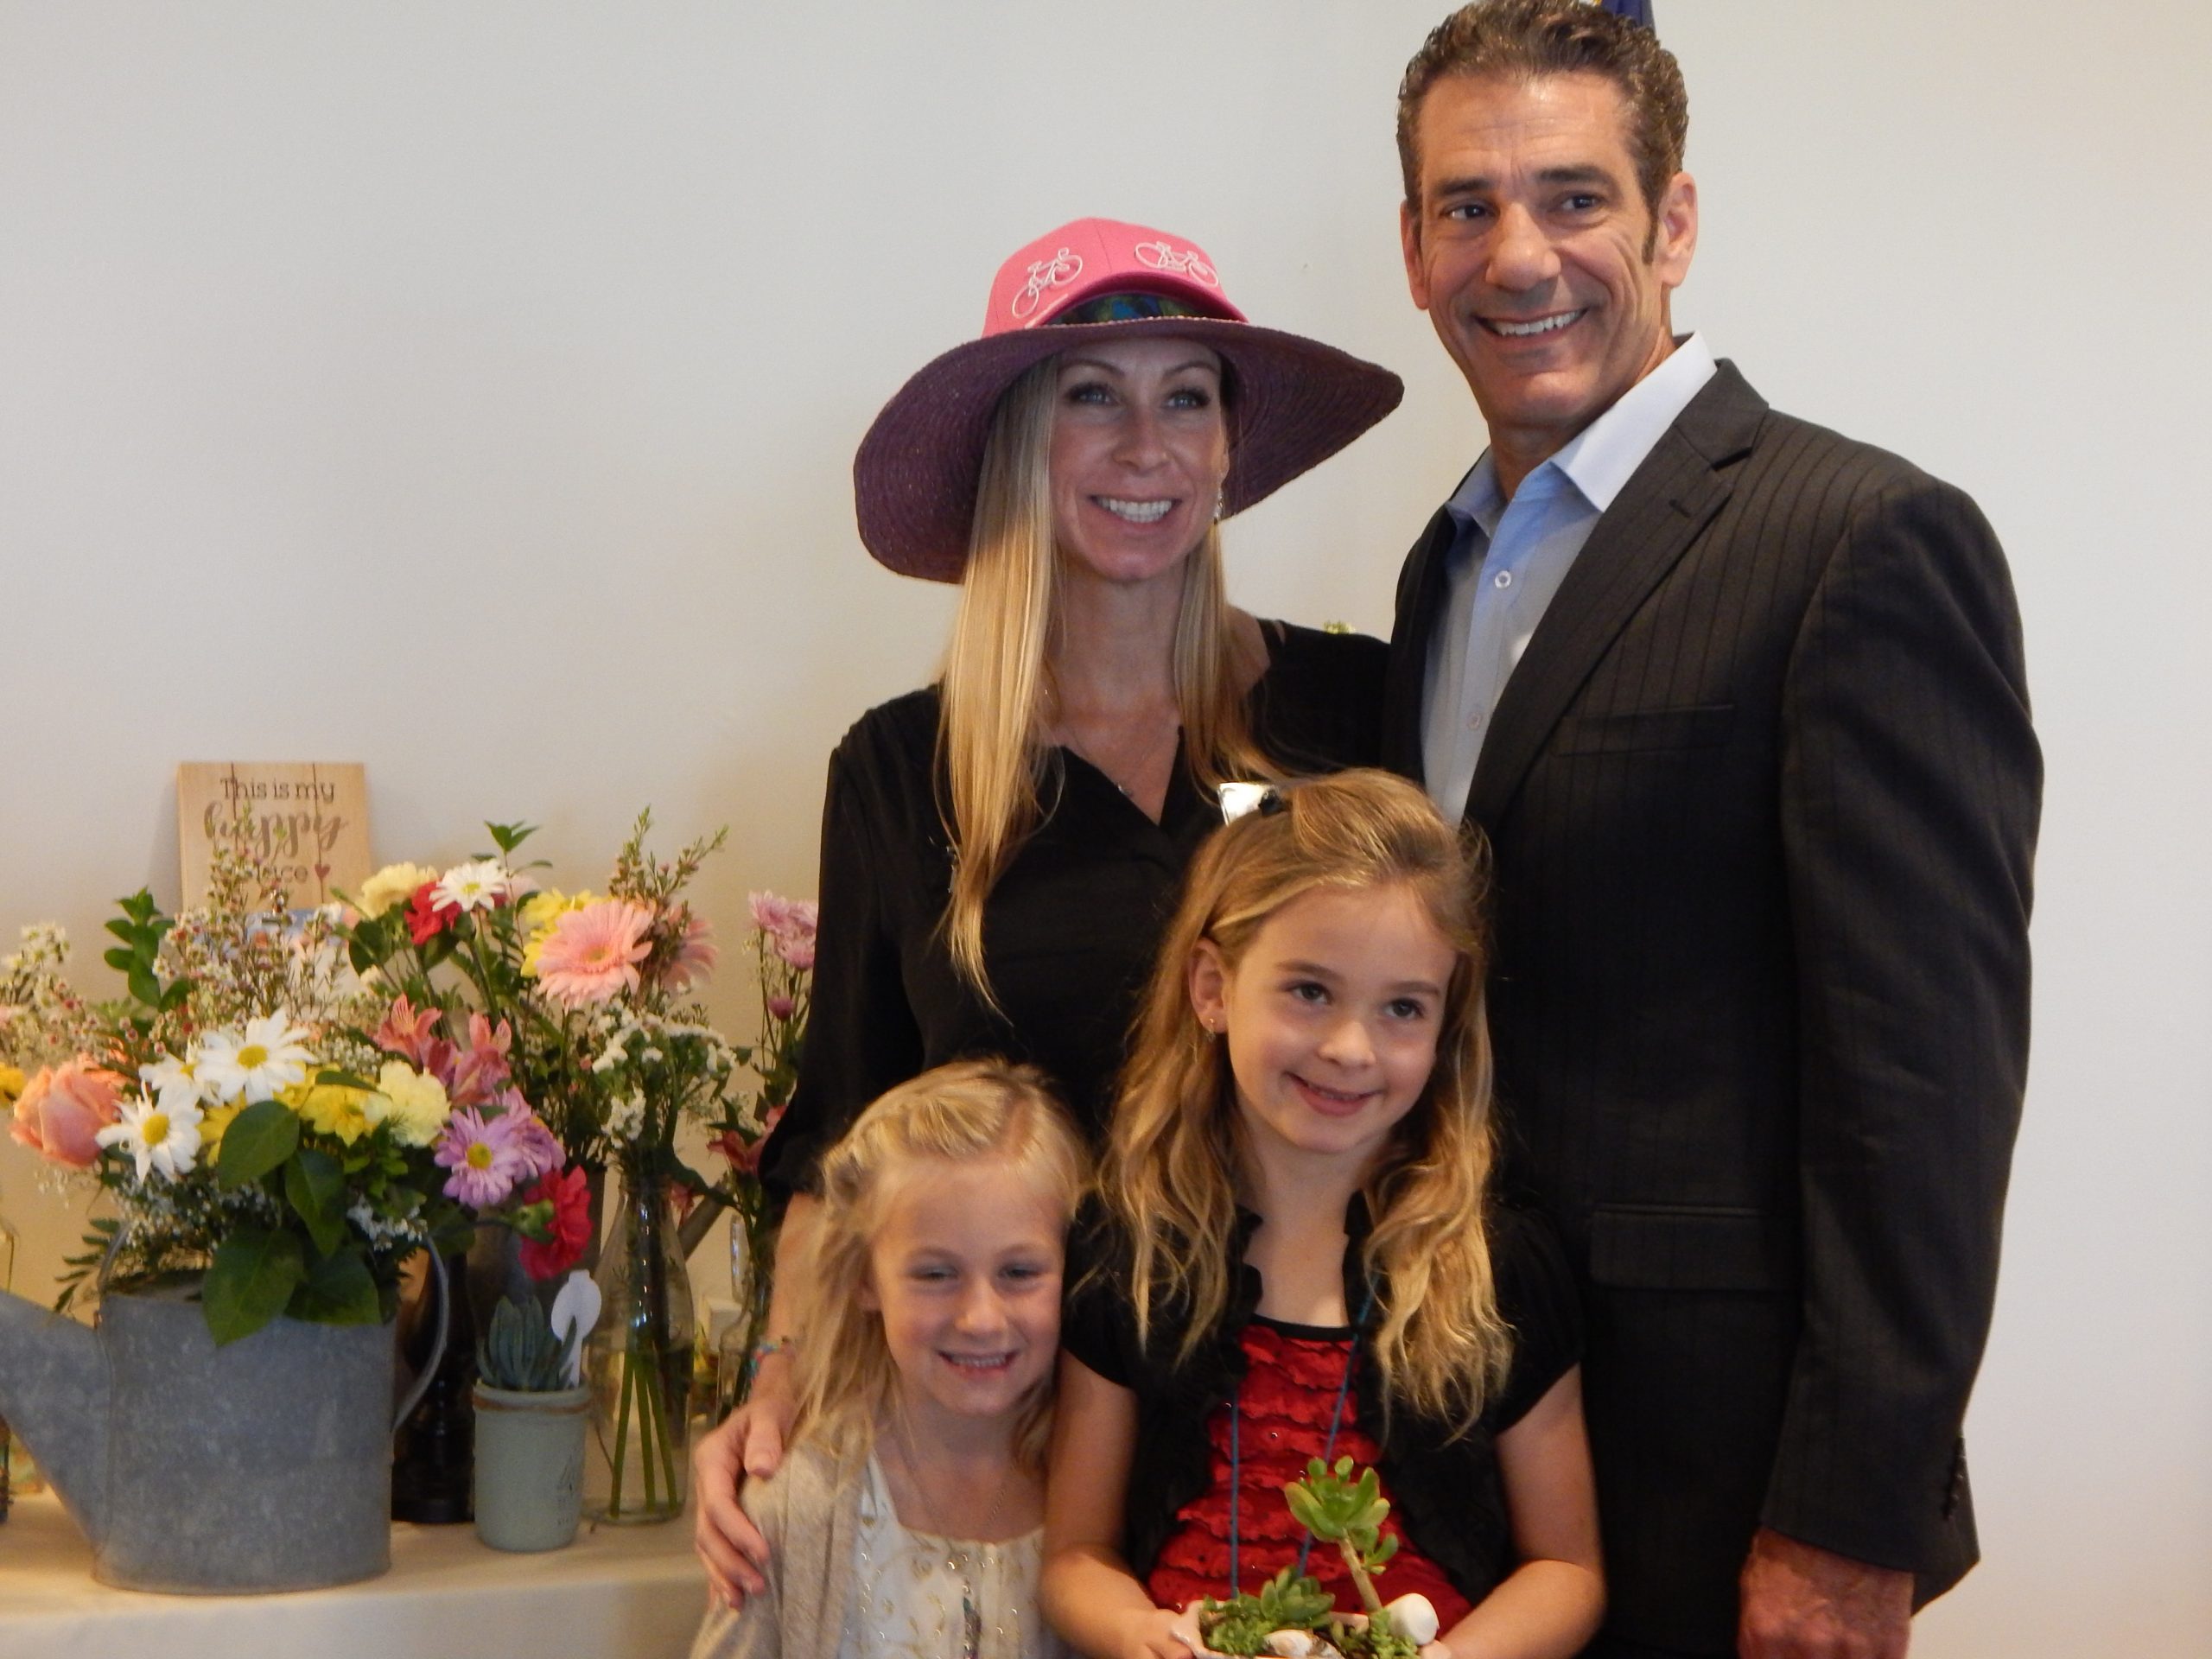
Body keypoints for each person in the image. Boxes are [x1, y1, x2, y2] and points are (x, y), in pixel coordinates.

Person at [1377, 6, 2041, 1657]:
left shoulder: (1859, 540)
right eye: (1467, 206)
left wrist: (1849, 1519)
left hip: (1728, 1480)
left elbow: (1926, 1086)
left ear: (1673, 222)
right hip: (1466, 1456)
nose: (1518, 254)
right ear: (1412, 249)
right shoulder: (1436, 573)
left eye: (1574, 198)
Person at [696, 217, 1406, 1603]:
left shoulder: (1350, 714)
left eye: (1185, 398)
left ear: (1228, 448)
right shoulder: (902, 770)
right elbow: (840, 1130)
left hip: (1302, 1431)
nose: (1146, 446)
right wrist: (773, 1384)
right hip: (1002, 1444)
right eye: (1093, 396)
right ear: (1018, 442)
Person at [1043, 768, 1605, 1659]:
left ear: (1446, 1024)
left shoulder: (1497, 1265)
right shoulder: (1132, 1249)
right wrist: (1139, 1634)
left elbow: (1567, 1570)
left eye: (1402, 1008)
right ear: (1211, 988)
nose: (1351, 1048)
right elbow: (1076, 1554)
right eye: (1310, 991)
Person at [690, 1058, 1087, 1659]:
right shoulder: (798, 1507)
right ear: (864, 1279)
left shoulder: (1104, 1493)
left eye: (1020, 1272)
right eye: (935, 1274)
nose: (981, 1318)